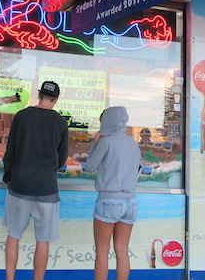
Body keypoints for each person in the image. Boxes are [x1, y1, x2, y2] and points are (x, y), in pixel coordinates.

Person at [2, 81, 69, 280]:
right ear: (56, 100)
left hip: (19, 184)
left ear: (39, 95)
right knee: (43, 240)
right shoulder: (60, 122)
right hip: (46, 187)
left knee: (14, 235)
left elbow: (10, 151)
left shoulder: (22, 116)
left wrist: (8, 177)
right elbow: (62, 158)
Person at [85, 106, 142, 280]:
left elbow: (90, 167)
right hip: (130, 203)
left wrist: (94, 144)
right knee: (122, 251)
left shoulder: (105, 142)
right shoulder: (132, 143)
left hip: (109, 201)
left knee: (102, 252)